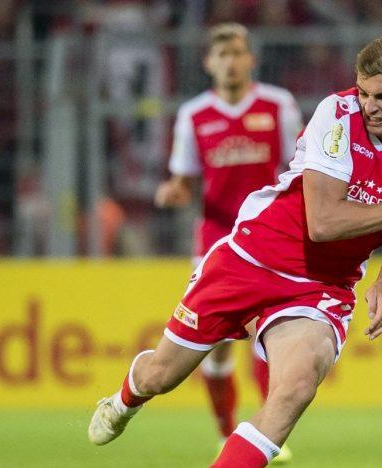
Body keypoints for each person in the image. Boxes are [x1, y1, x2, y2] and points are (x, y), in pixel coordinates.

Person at [88, 34, 382, 468]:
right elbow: (324, 223)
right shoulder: (337, 114)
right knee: (160, 376)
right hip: (252, 257)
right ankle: (124, 401)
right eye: (364, 93)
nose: (370, 106)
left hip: (321, 288)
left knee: (294, 390)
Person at [153, 23, 302, 460]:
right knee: (215, 349)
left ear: (250, 59)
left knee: (266, 334)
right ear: (208, 63)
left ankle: (267, 431)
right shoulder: (194, 115)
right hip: (215, 242)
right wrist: (173, 192)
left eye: (237, 53)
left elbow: (298, 168)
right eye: (222, 55)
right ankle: (224, 431)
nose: (230, 62)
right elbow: (183, 181)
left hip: (269, 239)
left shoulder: (278, 105)